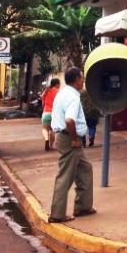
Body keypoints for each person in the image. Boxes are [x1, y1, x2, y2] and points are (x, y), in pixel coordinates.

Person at [48, 68, 95, 223]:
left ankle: (83, 206)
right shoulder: (72, 97)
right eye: (82, 78)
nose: (83, 81)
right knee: (65, 176)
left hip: (66, 137)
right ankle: (57, 214)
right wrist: (75, 139)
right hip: (70, 139)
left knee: (85, 168)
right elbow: (69, 120)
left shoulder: (63, 93)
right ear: (76, 80)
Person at [40, 78, 60, 151]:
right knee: (52, 130)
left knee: (45, 129)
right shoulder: (58, 92)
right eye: (59, 84)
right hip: (54, 114)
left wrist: (43, 110)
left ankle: (46, 139)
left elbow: (42, 102)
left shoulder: (46, 91)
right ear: (57, 84)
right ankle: (51, 146)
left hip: (46, 113)